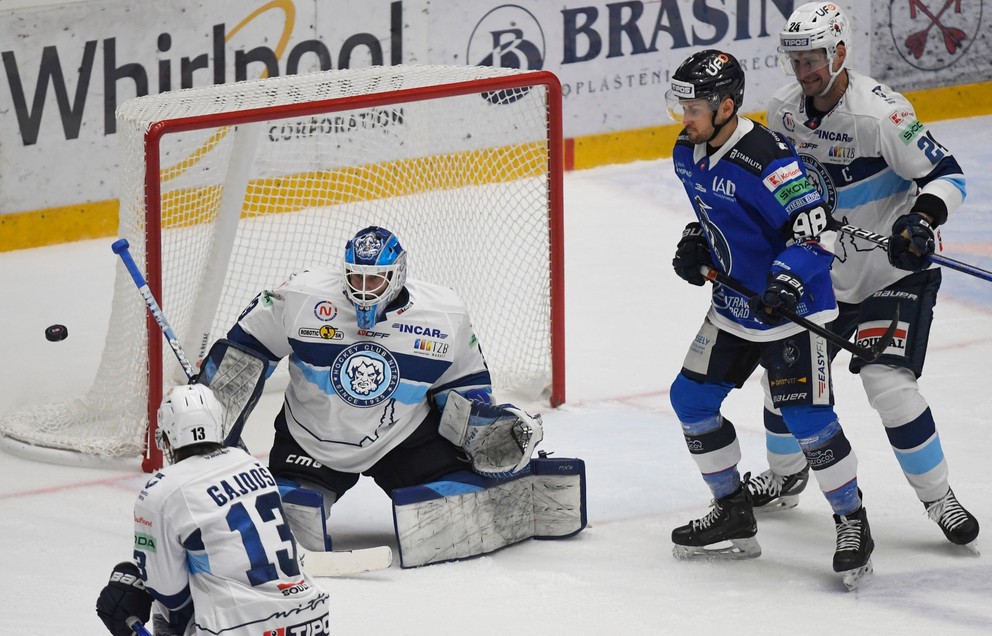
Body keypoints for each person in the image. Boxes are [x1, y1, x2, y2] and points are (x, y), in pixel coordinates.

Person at [196, 225, 585, 568]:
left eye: (375, 281)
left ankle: (507, 492)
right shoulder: (298, 296)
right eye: (356, 279)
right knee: (290, 516)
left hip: (402, 438)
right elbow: (243, 355)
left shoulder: (443, 313)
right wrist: (208, 421)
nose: (363, 291)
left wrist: (482, 428)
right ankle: (295, 493)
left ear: (397, 276)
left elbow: (461, 387)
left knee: (452, 509)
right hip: (312, 441)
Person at [749, 2, 978, 550]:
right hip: (821, 271)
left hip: (890, 272)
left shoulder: (881, 115)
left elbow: (948, 175)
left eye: (815, 59)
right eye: (796, 59)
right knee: (783, 381)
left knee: (888, 383)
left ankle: (938, 497)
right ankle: (785, 476)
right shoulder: (783, 111)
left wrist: (920, 219)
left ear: (841, 52)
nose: (804, 72)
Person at [665, 48, 873, 587]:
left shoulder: (768, 160)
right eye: (680, 105)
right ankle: (732, 508)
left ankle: (853, 521)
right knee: (690, 399)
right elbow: (718, 220)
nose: (683, 118)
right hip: (735, 307)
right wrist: (697, 246)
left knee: (806, 418)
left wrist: (785, 278)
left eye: (693, 107)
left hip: (793, 308)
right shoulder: (686, 153)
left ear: (727, 105)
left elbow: (818, 231)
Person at [95, 384, 329, 636]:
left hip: (242, 627)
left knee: (150, 600)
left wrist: (135, 581)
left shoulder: (162, 491)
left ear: (166, 438)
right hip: (309, 618)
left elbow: (170, 594)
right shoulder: (252, 464)